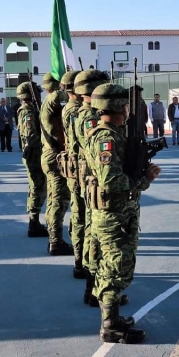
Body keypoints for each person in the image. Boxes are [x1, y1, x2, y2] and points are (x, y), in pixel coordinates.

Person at [85, 82, 161, 344]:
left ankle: (113, 318)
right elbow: (112, 181)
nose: (129, 110)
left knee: (112, 266)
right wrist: (143, 179)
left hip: (117, 213)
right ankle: (110, 326)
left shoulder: (114, 134)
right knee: (114, 268)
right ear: (117, 107)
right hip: (114, 215)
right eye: (126, 105)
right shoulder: (106, 138)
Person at [73, 69, 110, 305]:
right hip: (94, 177)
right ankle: (93, 287)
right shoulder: (89, 117)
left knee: (92, 230)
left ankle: (94, 286)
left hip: (90, 176)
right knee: (93, 232)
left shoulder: (87, 113)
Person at [40, 72, 73, 256]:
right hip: (55, 155)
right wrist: (67, 84)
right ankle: (55, 241)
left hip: (50, 155)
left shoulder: (47, 102)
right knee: (58, 200)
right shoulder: (52, 98)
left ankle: (54, 238)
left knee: (54, 199)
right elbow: (60, 95)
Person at [61, 71, 86, 277]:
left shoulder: (71, 109)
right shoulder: (76, 111)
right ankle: (81, 261)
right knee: (81, 216)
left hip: (75, 167)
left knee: (79, 215)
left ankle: (80, 259)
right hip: (79, 169)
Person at [16, 82, 48, 238]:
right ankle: (33, 222)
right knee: (37, 187)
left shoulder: (33, 110)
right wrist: (47, 140)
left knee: (39, 187)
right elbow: (31, 137)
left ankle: (34, 221)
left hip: (36, 154)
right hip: (34, 155)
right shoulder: (27, 111)